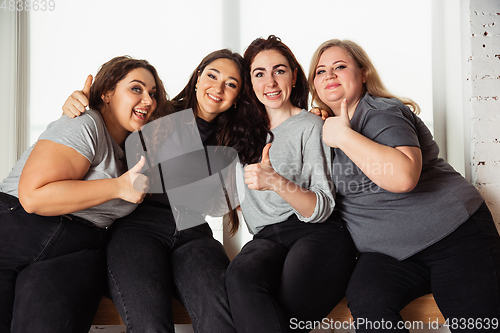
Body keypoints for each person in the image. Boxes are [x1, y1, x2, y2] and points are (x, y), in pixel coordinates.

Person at [62, 49, 271, 333]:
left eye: (231, 84)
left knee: (221, 318)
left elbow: (282, 125)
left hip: (192, 231)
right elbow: (108, 125)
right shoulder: (155, 114)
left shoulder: (237, 136)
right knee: (150, 324)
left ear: (238, 95)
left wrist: (318, 113)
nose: (218, 88)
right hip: (137, 229)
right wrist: (76, 105)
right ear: (197, 78)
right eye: (212, 75)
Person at [308, 39, 500, 332]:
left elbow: (403, 177)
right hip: (391, 254)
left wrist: (344, 136)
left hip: (452, 236)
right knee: (367, 300)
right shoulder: (324, 130)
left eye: (339, 66)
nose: (329, 75)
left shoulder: (380, 112)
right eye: (320, 71)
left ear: (363, 73)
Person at [0, 56, 164, 333]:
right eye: (136, 89)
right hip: (18, 230)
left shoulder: (137, 150)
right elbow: (33, 197)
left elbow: (199, 107)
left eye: (153, 93)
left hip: (76, 250)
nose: (148, 99)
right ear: (107, 93)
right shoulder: (85, 123)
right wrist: (119, 187)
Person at [224, 35, 357, 333]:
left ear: (294, 76)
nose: (270, 82)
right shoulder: (237, 132)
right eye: (260, 74)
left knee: (283, 302)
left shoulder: (311, 126)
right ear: (250, 82)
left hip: (316, 233)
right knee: (238, 277)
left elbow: (321, 208)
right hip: (266, 239)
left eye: (279, 71)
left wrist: (275, 182)